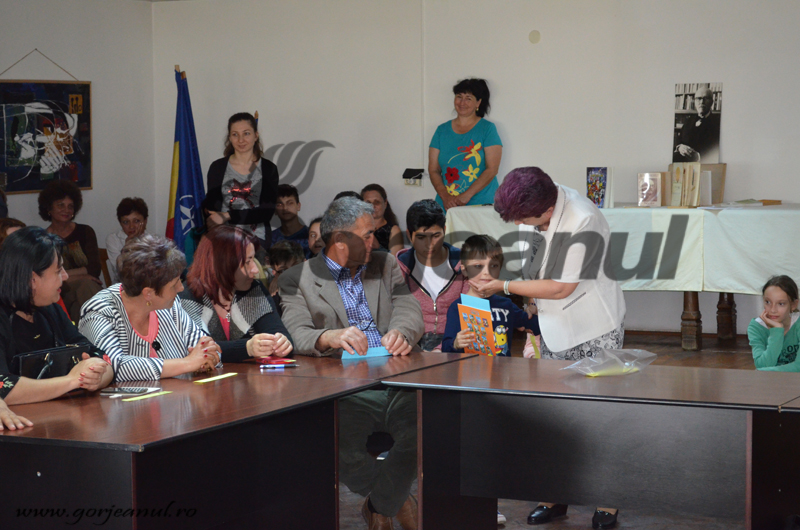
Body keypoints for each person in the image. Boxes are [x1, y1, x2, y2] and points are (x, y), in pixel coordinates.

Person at [474, 167, 626, 529]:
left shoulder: (583, 219)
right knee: (556, 416)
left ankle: (607, 501)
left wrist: (503, 286)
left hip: (595, 326)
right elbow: (533, 265)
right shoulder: (531, 207)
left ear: (546, 209)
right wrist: (530, 308)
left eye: (524, 220)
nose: (521, 225)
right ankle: (555, 495)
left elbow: (560, 287)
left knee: (597, 416)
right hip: (554, 324)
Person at [278, 197, 424, 530]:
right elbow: (296, 332)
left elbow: (409, 308)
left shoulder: (385, 264)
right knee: (335, 445)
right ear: (341, 241)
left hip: (397, 376)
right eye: (367, 235)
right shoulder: (296, 278)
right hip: (346, 387)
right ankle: (397, 501)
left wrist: (401, 331)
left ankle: (379, 505)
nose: (375, 240)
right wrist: (328, 336)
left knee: (424, 430)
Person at [79, 235, 220, 382]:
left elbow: (203, 346)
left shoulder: (170, 304)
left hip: (179, 395)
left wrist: (206, 356)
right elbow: (112, 366)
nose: (181, 288)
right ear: (148, 293)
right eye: (174, 284)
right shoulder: (99, 311)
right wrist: (188, 363)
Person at [0, 227, 113, 405]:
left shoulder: (51, 310)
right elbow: (3, 387)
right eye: (59, 270)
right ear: (32, 279)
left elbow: (99, 357)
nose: (66, 276)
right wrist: (71, 381)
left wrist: (96, 377)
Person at [180, 226, 292, 362]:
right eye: (247, 262)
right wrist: (247, 348)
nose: (255, 269)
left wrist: (282, 343)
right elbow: (196, 349)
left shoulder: (254, 289)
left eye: (254, 259)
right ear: (223, 265)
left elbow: (278, 333)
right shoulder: (187, 295)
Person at [441, 235, 539, 355]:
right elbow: (446, 348)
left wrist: (535, 308)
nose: (487, 272)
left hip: (502, 367)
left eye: (493, 266)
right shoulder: (457, 307)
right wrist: (456, 343)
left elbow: (537, 326)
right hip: (469, 367)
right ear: (464, 270)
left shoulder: (506, 305)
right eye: (478, 266)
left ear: (500, 268)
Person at [396, 199, 468, 351]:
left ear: (445, 230)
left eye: (436, 236)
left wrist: (444, 347)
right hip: (411, 344)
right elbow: (396, 315)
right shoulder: (399, 267)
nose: (430, 244)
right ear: (409, 235)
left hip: (454, 342)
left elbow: (469, 313)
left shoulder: (465, 264)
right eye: (421, 237)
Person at [206, 112, 279, 250]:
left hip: (257, 241)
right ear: (229, 138)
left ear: (256, 135)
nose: (241, 140)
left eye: (246, 133)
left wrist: (228, 215)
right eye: (235, 134)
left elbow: (266, 212)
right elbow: (213, 209)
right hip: (223, 241)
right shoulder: (217, 167)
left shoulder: (269, 169)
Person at [428, 78, 503, 210]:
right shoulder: (441, 130)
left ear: (478, 102)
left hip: (481, 204)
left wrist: (466, 196)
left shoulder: (487, 129)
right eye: (459, 97)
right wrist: (445, 197)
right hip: (447, 205)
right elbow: (433, 169)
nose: (462, 102)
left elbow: (492, 169)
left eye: (468, 98)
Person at [38, 179, 102, 321]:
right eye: (60, 205)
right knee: (86, 285)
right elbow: (45, 276)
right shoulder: (43, 239)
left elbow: (94, 268)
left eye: (70, 206)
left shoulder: (85, 231)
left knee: (79, 305)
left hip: (85, 292)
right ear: (49, 208)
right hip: (59, 291)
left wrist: (62, 275)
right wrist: (80, 276)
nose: (66, 210)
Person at [749, 275, 800, 372]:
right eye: (768, 302)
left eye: (781, 304)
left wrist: (765, 371)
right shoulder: (756, 327)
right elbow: (762, 365)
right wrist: (776, 331)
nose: (773, 310)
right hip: (772, 378)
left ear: (793, 305)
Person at [106, 197, 149, 283]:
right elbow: (120, 272)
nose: (131, 226)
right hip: (123, 286)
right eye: (126, 222)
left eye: (136, 221)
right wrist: (128, 247)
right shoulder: (113, 239)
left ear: (145, 221)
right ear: (120, 223)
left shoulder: (152, 240)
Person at [673, 86, 721, 163]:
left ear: (712, 102)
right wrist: (679, 147)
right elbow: (679, 139)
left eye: (705, 98)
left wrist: (698, 156)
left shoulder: (718, 123)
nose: (701, 102)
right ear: (695, 101)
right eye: (698, 98)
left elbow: (716, 151)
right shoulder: (688, 120)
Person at [361, 184, 403, 255]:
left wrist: (377, 246)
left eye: (376, 202)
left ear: (385, 203)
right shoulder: (357, 227)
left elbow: (394, 260)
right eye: (368, 203)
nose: (372, 206)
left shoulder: (393, 230)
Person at [271, 184, 309, 253]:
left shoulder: (310, 236)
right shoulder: (270, 239)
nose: (285, 208)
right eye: (280, 204)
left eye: (290, 203)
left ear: (298, 206)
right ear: (275, 210)